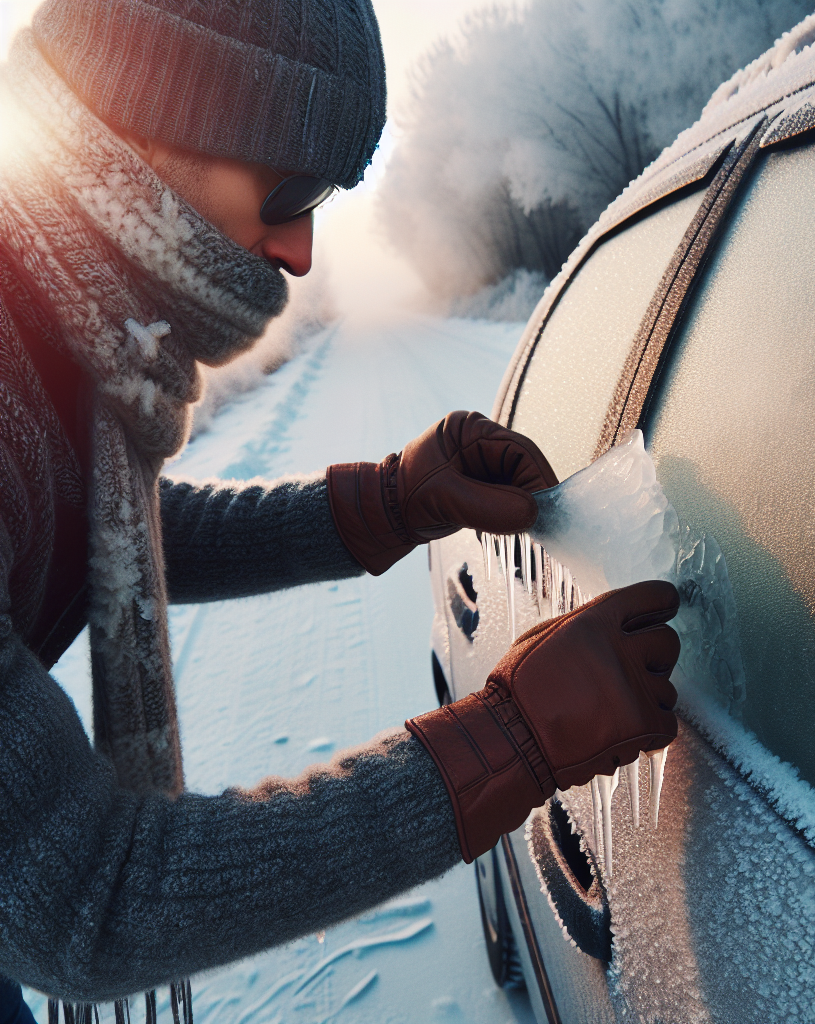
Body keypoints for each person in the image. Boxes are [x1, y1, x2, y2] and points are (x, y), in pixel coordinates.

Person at [0, 0, 681, 1019]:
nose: (301, 252)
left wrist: (389, 501)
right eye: (290, 191)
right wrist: (507, 741)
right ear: (144, 136)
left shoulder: (44, 332)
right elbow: (83, 901)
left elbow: (105, 531)